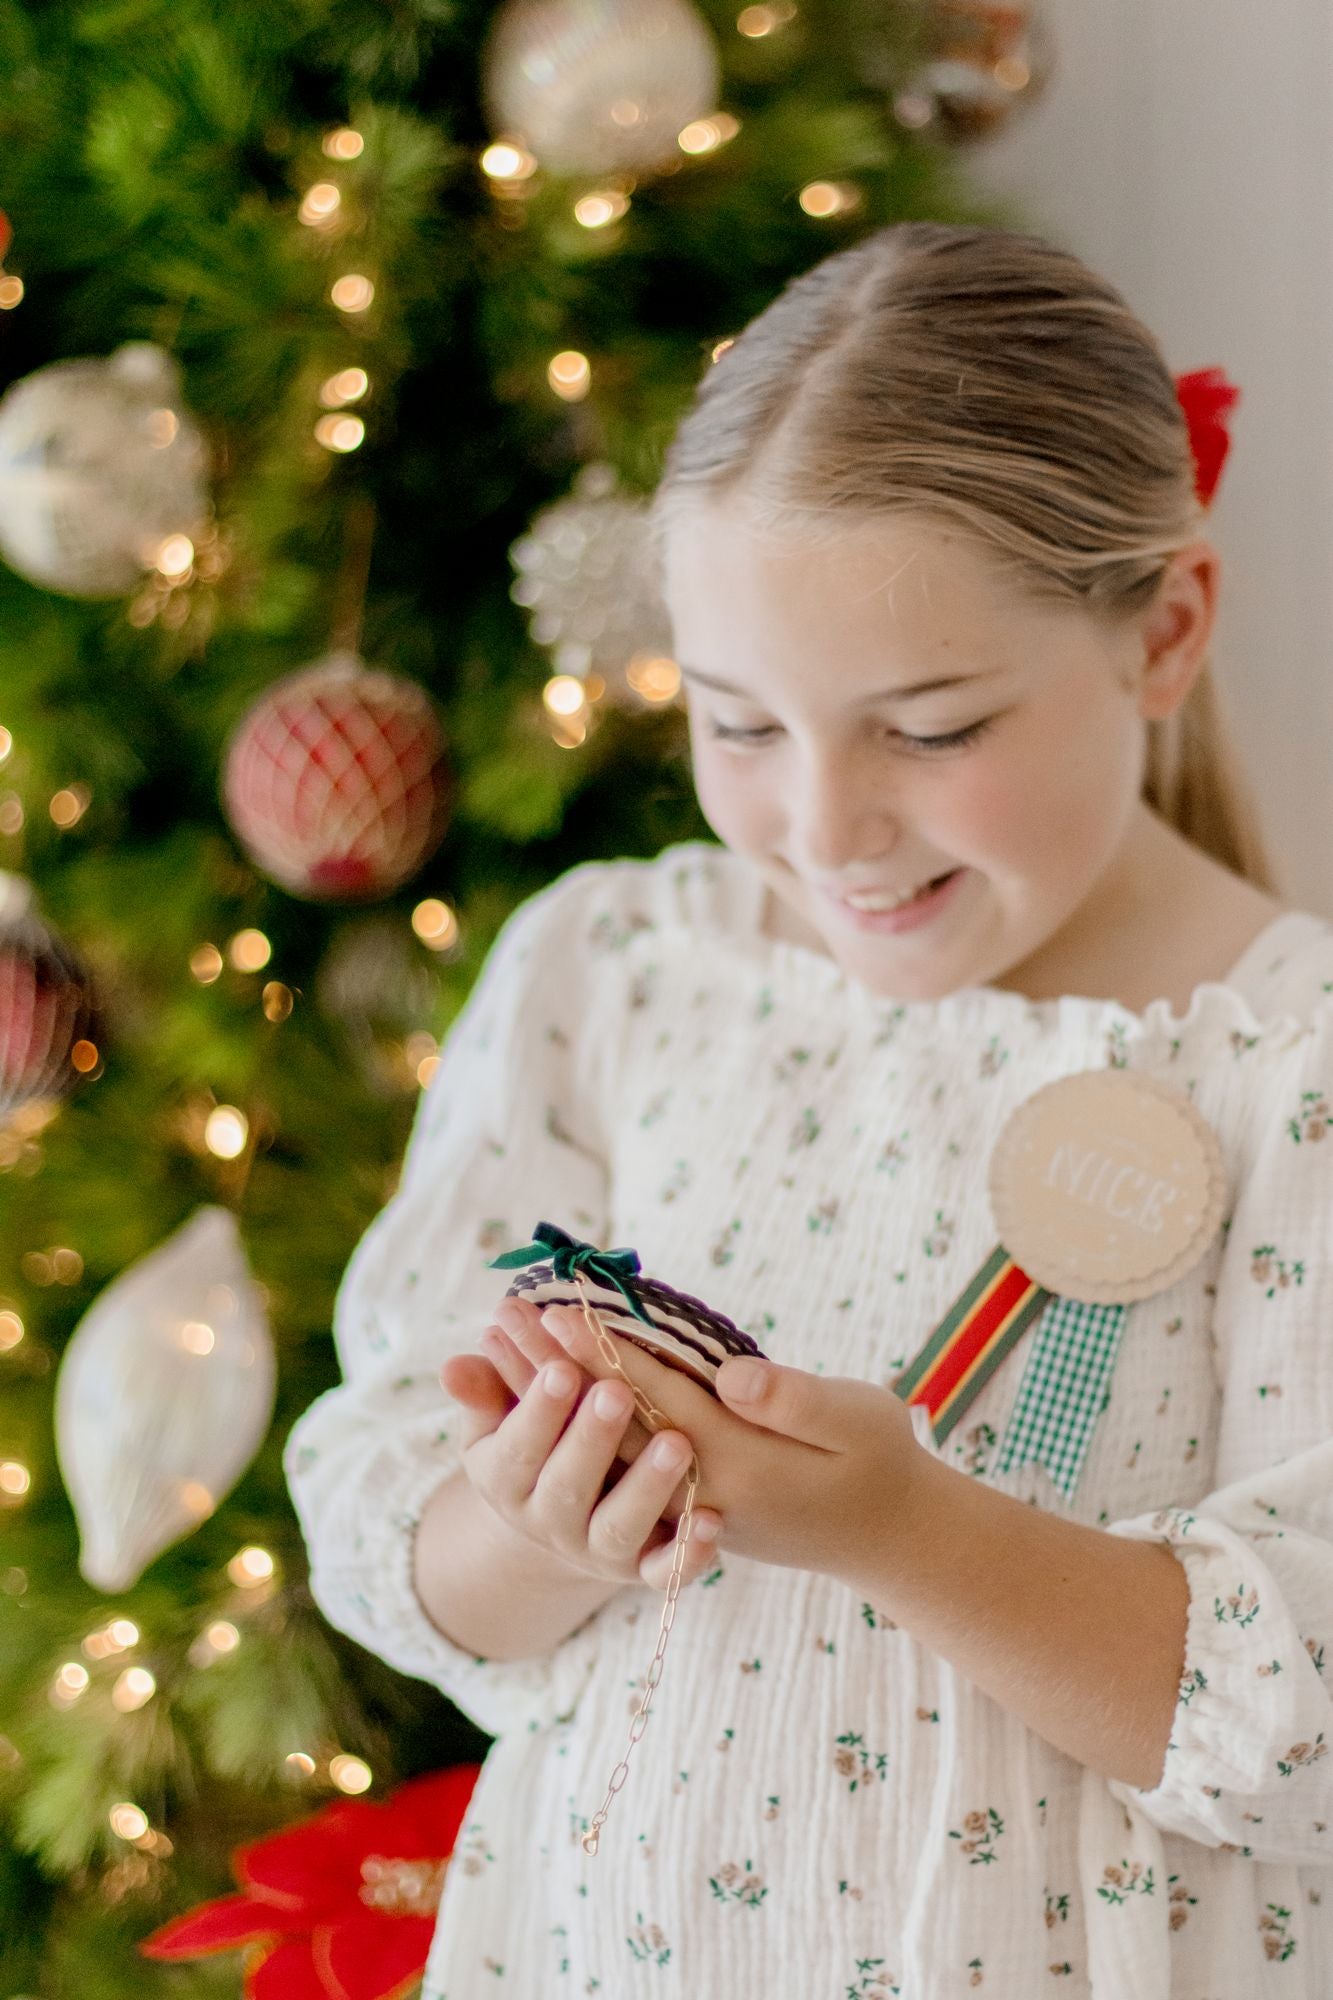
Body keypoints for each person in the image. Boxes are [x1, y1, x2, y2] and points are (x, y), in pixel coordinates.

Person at [285, 223, 1333, 1997]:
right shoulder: (617, 973)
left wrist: (901, 1529)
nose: (823, 827)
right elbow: (398, 1534)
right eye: (737, 724)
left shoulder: (1286, 1071)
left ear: (1161, 633)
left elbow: (1303, 1718)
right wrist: (538, 1527)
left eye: (926, 729)